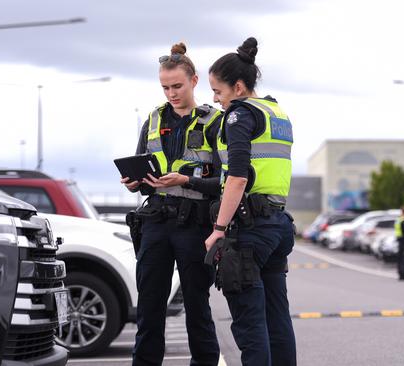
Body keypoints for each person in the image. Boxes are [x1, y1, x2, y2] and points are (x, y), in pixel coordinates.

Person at [120, 42, 222, 366]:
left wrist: (187, 181)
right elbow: (140, 167)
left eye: (176, 85)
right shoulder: (152, 119)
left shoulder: (215, 122)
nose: (171, 93)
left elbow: (225, 182)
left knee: (197, 308)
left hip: (194, 226)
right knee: (149, 309)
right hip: (155, 222)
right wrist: (135, 181)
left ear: (194, 80)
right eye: (165, 87)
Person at [204, 37, 297, 366]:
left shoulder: (239, 115)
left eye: (218, 91)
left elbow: (239, 177)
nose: (215, 99)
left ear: (238, 87)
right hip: (278, 224)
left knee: (250, 324)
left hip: (250, 229)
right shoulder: (276, 112)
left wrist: (218, 228)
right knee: (277, 319)